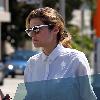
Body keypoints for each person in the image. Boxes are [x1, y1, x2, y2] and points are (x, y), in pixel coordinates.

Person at [24, 7, 97, 100]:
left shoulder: (75, 59)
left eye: (36, 29)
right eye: (30, 31)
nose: (33, 34)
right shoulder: (32, 63)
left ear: (55, 29)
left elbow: (88, 96)